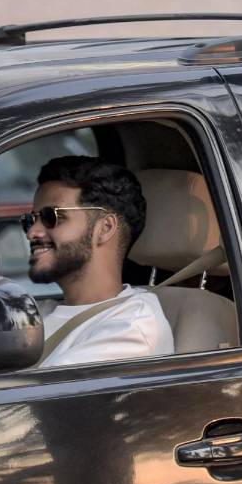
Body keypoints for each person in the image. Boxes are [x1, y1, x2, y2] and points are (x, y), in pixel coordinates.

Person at [24, 156, 172, 367]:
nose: (32, 232)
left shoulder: (130, 330)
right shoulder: (40, 311)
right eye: (30, 220)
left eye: (51, 217)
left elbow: (34, 397)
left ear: (105, 229)